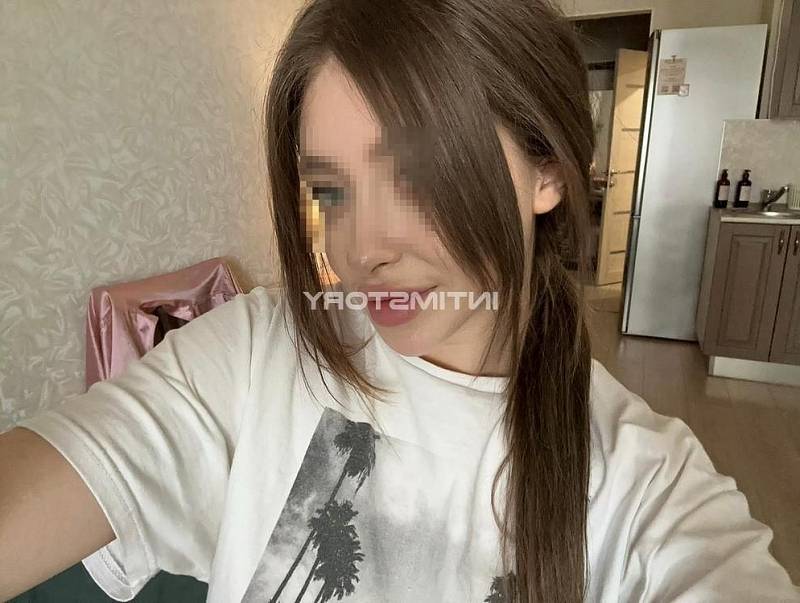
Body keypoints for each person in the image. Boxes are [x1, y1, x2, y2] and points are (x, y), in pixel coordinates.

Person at [1, 0, 798, 601]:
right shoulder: (255, 352)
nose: (361, 248)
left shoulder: (645, 485)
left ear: (548, 171)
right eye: (331, 189)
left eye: (414, 173)